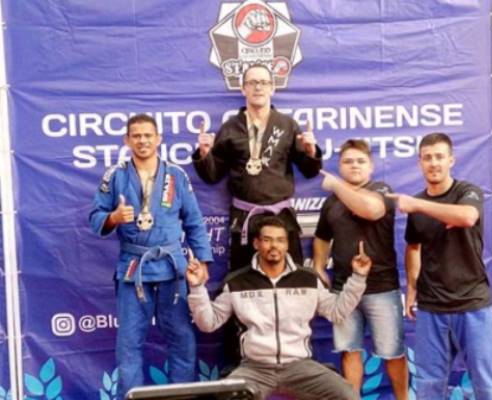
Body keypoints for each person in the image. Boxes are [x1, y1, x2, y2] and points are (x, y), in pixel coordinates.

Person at [89, 114, 213, 399]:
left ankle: (181, 398)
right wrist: (114, 217)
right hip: (134, 268)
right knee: (129, 344)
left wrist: (203, 261)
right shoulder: (115, 176)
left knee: (181, 339)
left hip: (173, 268)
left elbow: (194, 221)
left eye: (148, 135)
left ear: (158, 139)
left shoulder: (176, 175)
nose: (142, 140)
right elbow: (95, 217)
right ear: (127, 140)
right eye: (136, 135)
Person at [186, 215, 372, 400]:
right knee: (225, 398)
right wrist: (196, 287)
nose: (274, 245)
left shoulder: (308, 279)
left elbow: (337, 312)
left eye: (280, 240)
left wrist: (359, 278)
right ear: (256, 244)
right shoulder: (237, 282)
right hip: (255, 369)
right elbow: (208, 323)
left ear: (287, 245)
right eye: (267, 240)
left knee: (347, 395)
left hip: (300, 367)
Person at [388, 132, 492, 399]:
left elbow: (467, 217)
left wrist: (417, 204)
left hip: (472, 303)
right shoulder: (417, 206)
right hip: (432, 307)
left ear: (451, 160)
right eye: (427, 158)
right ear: (420, 163)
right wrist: (412, 287)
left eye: (439, 156)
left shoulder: (467, 192)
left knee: (487, 385)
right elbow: (413, 247)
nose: (434, 163)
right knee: (429, 386)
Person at [192, 63, 322, 269]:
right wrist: (204, 154)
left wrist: (311, 151)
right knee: (243, 278)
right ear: (243, 88)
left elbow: (310, 171)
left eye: (263, 82)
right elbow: (212, 176)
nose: (258, 87)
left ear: (272, 88)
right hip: (245, 218)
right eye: (252, 83)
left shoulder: (287, 125)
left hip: (281, 218)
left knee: (291, 279)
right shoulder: (231, 128)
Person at [313, 139, 408, 399]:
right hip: (343, 289)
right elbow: (321, 237)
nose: (354, 165)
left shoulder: (382, 190)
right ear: (340, 166)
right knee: (349, 351)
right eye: (348, 161)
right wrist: (319, 265)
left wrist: (335, 184)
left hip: (381, 288)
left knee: (393, 353)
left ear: (371, 166)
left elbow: (371, 210)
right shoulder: (331, 203)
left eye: (360, 161)